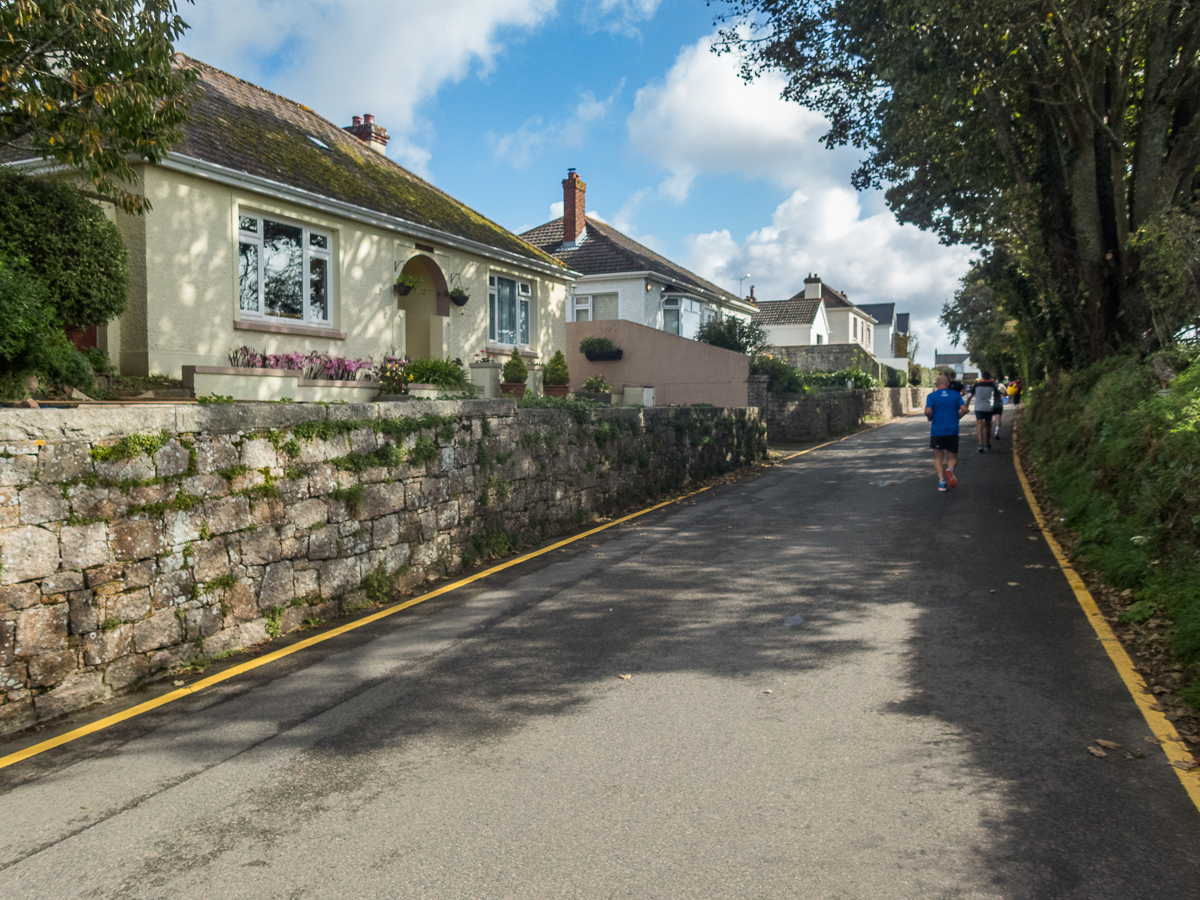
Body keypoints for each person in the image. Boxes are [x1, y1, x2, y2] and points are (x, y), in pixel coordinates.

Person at [926, 374, 968, 491]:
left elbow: (928, 411)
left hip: (937, 431)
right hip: (952, 430)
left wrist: (930, 416)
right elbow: (964, 409)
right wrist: (957, 417)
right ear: (948, 384)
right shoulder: (955, 395)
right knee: (952, 456)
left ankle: (942, 482)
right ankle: (950, 469)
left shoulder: (931, 396)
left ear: (936, 384)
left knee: (938, 456)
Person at [969, 370, 998, 452]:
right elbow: (997, 396)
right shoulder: (992, 385)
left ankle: (980, 445)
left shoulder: (976, 385)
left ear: (982, 377)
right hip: (989, 407)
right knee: (988, 425)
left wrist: (967, 405)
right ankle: (987, 443)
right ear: (989, 378)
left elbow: (970, 396)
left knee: (980, 425)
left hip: (978, 407)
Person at [991, 375, 1006, 440]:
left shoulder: (988, 386)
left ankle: (989, 431)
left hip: (990, 404)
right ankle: (996, 432)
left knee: (989, 419)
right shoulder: (999, 386)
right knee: (998, 419)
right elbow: (1004, 393)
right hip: (998, 404)